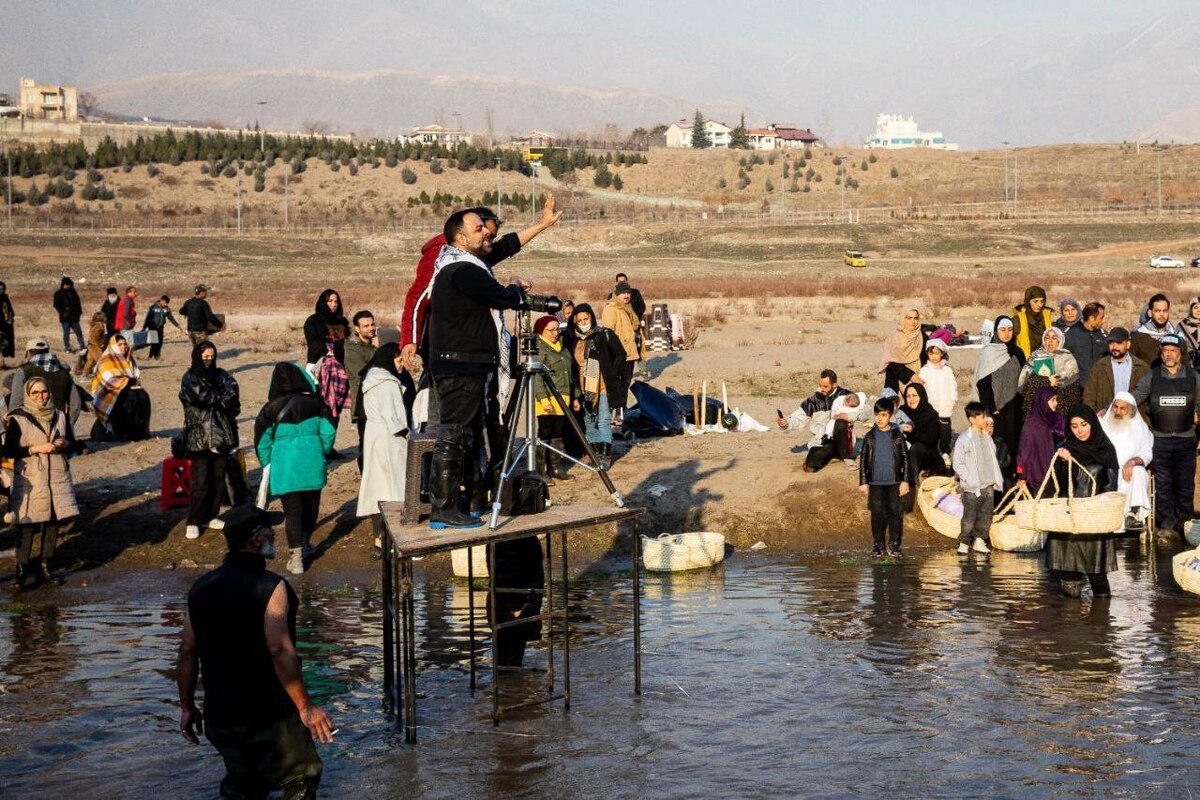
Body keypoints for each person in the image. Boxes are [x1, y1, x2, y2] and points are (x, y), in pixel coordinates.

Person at [176, 505, 331, 799]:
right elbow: (279, 651)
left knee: (243, 785)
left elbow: (187, 652)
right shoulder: (271, 587)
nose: (275, 533)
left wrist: (187, 708)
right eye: (270, 529)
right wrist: (305, 707)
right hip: (269, 712)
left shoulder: (200, 588)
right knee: (301, 776)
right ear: (257, 538)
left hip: (222, 714)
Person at [426, 209, 529, 529]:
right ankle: (442, 508)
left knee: (462, 435)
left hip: (461, 363)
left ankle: (460, 503)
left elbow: (500, 250)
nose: (486, 232)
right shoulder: (462, 269)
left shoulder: (457, 266)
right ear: (460, 237)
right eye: (479, 228)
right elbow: (500, 298)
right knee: (453, 435)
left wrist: (540, 225)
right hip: (460, 364)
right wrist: (514, 288)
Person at [399, 199, 562, 372]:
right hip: (446, 349)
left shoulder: (474, 255)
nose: (489, 238)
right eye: (484, 232)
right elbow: (417, 298)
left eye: (492, 236)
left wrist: (542, 225)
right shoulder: (445, 256)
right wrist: (410, 339)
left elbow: (507, 246)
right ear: (467, 232)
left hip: (472, 351)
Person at [254, 363, 336, 574]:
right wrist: (322, 452)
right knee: (311, 508)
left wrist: (267, 463)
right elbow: (328, 433)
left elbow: (262, 442)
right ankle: (306, 543)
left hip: (285, 467)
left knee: (292, 512)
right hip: (312, 462)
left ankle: (296, 558)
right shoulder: (316, 403)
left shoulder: (270, 409)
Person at [4, 377, 83, 590]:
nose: (41, 397)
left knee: (52, 523)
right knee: (27, 527)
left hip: (57, 478)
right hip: (31, 478)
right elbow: (8, 451)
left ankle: (46, 567)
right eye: (36, 393)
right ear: (28, 395)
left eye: (44, 392)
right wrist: (35, 449)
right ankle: (22, 571)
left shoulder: (60, 415)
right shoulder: (18, 418)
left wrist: (64, 444)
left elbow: (76, 446)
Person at [1131, 334, 1200, 538]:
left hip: (1186, 439)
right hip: (1159, 440)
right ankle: (1167, 524)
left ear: (1180, 354)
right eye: (1165, 350)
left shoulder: (1193, 376)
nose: (1169, 354)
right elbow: (1134, 398)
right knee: (1163, 485)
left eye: (1173, 350)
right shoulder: (1152, 376)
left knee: (1185, 484)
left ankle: (1185, 523)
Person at [1047, 405, 1120, 598]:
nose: (1080, 431)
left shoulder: (1106, 449)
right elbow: (1056, 486)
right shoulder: (1063, 450)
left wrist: (1096, 508)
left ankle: (1100, 624)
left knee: (1098, 578)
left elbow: (1111, 488)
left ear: (1092, 424)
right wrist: (1064, 464)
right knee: (1069, 578)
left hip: (1094, 521)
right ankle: (1070, 625)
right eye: (1074, 426)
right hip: (1068, 520)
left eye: (1084, 424)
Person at [180, 342, 241, 540]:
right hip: (199, 436)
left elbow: (233, 391)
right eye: (205, 356)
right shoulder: (190, 378)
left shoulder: (221, 374)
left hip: (221, 435)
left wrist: (222, 401)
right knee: (201, 481)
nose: (208, 360)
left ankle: (211, 515)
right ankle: (193, 520)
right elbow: (204, 397)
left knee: (217, 478)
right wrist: (221, 400)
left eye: (212, 356)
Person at [356, 343, 410, 560]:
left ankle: (378, 541)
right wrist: (409, 435)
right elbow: (395, 419)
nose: (401, 366)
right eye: (398, 361)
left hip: (373, 437)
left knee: (376, 489)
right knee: (393, 489)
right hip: (389, 439)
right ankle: (396, 540)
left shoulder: (371, 380)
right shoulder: (387, 384)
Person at [569, 303, 625, 469]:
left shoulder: (603, 334)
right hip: (584, 387)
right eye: (580, 320)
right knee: (589, 421)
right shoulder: (574, 339)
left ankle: (606, 455)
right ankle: (595, 453)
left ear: (592, 317)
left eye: (586, 318)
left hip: (603, 385)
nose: (584, 322)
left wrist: (613, 373)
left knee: (603, 420)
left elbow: (621, 355)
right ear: (575, 322)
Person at [858, 398, 909, 558]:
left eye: (883, 415)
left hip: (894, 481)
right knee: (877, 513)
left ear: (890, 415)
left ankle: (894, 544)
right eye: (877, 415)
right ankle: (878, 544)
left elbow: (905, 458)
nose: (879, 419)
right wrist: (864, 482)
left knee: (895, 513)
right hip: (875, 482)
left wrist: (905, 481)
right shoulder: (869, 436)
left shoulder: (897, 435)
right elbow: (863, 459)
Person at [532, 315, 578, 484]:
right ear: (541, 332)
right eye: (550, 330)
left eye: (557, 329)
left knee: (558, 432)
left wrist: (576, 396)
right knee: (545, 432)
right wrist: (544, 400)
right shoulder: (540, 349)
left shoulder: (563, 348)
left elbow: (571, 374)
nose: (555, 333)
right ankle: (541, 470)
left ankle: (555, 467)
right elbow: (537, 378)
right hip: (547, 398)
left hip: (563, 397)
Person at [953, 401, 1002, 556]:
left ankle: (980, 540)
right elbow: (958, 463)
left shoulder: (987, 438)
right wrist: (968, 478)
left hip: (987, 483)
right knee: (969, 516)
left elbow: (992, 458)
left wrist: (994, 478)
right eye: (980, 416)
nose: (984, 418)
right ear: (972, 419)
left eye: (984, 415)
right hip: (972, 486)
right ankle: (964, 541)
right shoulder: (964, 439)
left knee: (986, 515)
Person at [1100, 392, 1154, 531]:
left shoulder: (1141, 428)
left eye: (1122, 408)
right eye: (1115, 407)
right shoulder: (1101, 424)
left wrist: (1133, 461)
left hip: (1128, 470)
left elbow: (1147, 453)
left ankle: (1132, 514)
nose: (1118, 412)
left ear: (1131, 410)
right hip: (1106, 469)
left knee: (1139, 472)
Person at [974, 315, 1024, 463]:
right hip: (995, 407)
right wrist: (990, 406)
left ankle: (1013, 475)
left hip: (1015, 405)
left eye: (1010, 330)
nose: (1007, 333)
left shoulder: (1017, 352)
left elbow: (1024, 377)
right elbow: (982, 382)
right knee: (997, 441)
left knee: (1014, 439)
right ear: (996, 331)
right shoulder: (988, 352)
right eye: (1002, 330)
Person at [90, 334, 151, 441]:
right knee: (130, 397)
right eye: (120, 345)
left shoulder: (128, 358)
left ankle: (140, 431)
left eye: (125, 344)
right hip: (107, 393)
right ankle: (121, 431)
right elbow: (108, 379)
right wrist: (127, 382)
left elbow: (134, 376)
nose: (124, 347)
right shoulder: (106, 359)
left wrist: (132, 383)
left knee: (143, 396)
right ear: (114, 346)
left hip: (124, 388)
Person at [11, 337, 83, 427]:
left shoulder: (23, 370)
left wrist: (15, 426)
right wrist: (67, 424)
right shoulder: (63, 372)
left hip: (31, 425)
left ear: (28, 353)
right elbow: (76, 403)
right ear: (48, 351)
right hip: (57, 424)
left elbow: (15, 402)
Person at [1019, 327, 1081, 420]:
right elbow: (1024, 383)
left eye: (1054, 338)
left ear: (1060, 340)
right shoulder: (1035, 356)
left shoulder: (1068, 358)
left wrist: (1057, 385)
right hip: (1036, 408)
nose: (1050, 341)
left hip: (1061, 408)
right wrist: (1046, 381)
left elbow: (1074, 390)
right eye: (1047, 338)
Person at [1083, 327, 1149, 415]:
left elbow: (1146, 394)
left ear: (1128, 344)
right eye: (1111, 343)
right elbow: (1089, 396)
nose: (1114, 347)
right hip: (1106, 419)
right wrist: (1092, 417)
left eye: (1119, 343)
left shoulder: (1142, 367)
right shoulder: (1099, 367)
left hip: (1133, 419)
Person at [601, 282, 642, 416]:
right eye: (623, 293)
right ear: (617, 294)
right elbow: (608, 333)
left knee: (625, 384)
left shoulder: (627, 308)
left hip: (630, 353)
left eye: (628, 293)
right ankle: (616, 412)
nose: (626, 295)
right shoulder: (611, 309)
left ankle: (621, 411)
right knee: (618, 386)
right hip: (619, 355)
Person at [343, 309, 377, 469]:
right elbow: (364, 374)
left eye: (372, 324)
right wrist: (379, 352)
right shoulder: (352, 349)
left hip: (379, 403)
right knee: (366, 445)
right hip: (364, 405)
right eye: (366, 326)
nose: (371, 328)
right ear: (357, 329)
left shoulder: (374, 344)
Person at [1017, 385, 1064, 492]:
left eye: (1056, 399)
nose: (1056, 403)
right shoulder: (1032, 425)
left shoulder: (1055, 419)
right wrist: (1021, 476)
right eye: (1052, 400)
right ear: (1043, 401)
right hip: (1037, 477)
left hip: (1055, 475)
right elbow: (1024, 454)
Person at [918, 339, 957, 458]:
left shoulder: (947, 370)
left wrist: (953, 399)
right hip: (931, 406)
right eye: (931, 353)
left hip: (945, 405)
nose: (934, 356)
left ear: (942, 354)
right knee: (932, 431)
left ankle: (945, 451)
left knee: (945, 431)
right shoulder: (924, 371)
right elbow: (921, 389)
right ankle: (932, 452)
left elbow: (953, 386)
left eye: (937, 353)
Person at [900, 382, 945, 482]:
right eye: (908, 396)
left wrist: (912, 431)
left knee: (916, 447)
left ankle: (912, 483)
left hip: (926, 455)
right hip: (904, 452)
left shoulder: (931, 414)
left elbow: (930, 440)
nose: (911, 399)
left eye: (914, 396)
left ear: (921, 396)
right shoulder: (902, 412)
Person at [878, 309, 925, 391]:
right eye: (909, 318)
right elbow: (891, 363)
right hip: (898, 381)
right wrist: (911, 375)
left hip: (920, 380)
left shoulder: (923, 337)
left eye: (915, 318)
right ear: (903, 319)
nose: (913, 321)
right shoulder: (893, 338)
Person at [1131, 293, 1185, 365]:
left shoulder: (1178, 337)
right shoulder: (1137, 337)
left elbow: (1185, 367)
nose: (1162, 314)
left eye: (1164, 311)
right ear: (1150, 313)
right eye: (1158, 311)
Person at [1065, 302, 1108, 383]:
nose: (1103, 321)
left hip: (1099, 385)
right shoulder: (1070, 335)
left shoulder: (1104, 335)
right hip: (1078, 387)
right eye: (1101, 318)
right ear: (1091, 318)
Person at [1012, 285, 1051, 359]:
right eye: (1035, 301)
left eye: (1042, 301)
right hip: (1025, 362)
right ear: (1028, 301)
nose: (1039, 305)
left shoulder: (1046, 317)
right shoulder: (1018, 319)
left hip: (1045, 361)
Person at [142, 295, 182, 360]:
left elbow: (171, 318)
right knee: (154, 342)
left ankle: (157, 356)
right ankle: (150, 356)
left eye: (166, 303)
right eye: (164, 302)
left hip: (160, 327)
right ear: (161, 300)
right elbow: (148, 318)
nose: (165, 304)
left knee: (160, 342)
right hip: (152, 327)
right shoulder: (153, 307)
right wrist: (144, 327)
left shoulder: (167, 309)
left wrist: (177, 325)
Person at [53, 276, 84, 352]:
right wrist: (63, 312)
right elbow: (56, 305)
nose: (68, 286)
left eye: (69, 285)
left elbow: (77, 303)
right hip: (65, 318)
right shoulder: (58, 293)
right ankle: (67, 347)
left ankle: (82, 346)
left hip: (74, 317)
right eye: (67, 285)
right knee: (66, 333)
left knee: (78, 332)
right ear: (63, 284)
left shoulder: (73, 292)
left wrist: (79, 313)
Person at [984, 415, 1014, 487]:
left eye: (991, 426)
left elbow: (1000, 465)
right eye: (986, 425)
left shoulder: (999, 443)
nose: (989, 429)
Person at [82, 310, 107, 375]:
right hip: (95, 345)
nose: (106, 318)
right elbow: (95, 337)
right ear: (101, 318)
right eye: (104, 317)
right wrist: (100, 344)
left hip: (91, 345)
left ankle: (85, 373)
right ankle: (103, 374)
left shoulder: (96, 325)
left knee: (91, 360)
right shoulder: (99, 326)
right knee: (101, 360)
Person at [1179, 296, 1200, 369]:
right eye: (1195, 307)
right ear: (1190, 309)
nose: (1198, 310)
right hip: (1189, 366)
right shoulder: (1182, 326)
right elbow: (1177, 346)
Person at [0, 281, 15, 358]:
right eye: (0, 289)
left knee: (5, 342)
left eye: (3, 289)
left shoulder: (5, 298)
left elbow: (10, 311)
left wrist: (10, 319)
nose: (2, 291)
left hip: (5, 325)